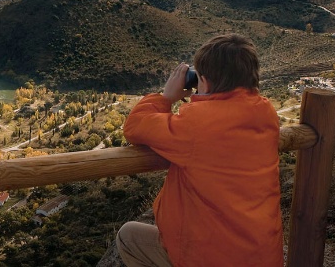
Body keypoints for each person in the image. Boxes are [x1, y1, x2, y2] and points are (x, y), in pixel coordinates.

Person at [117, 33, 284, 267]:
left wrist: (166, 97)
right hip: (262, 256)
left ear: (203, 81)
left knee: (128, 237)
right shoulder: (266, 113)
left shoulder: (196, 124)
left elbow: (135, 126)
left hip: (211, 258)